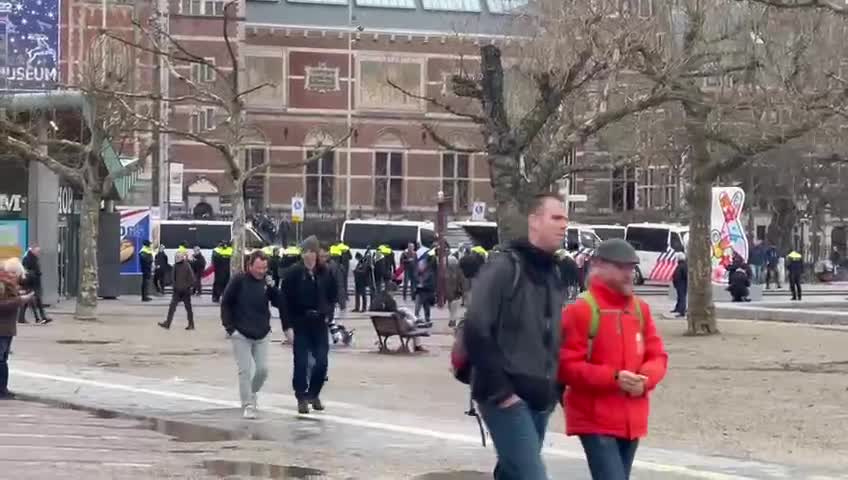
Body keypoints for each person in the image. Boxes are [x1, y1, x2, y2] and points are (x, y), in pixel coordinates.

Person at [463, 193, 568, 480]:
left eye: (565, 219)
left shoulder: (554, 273)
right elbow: (475, 327)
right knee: (532, 475)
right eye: (556, 218)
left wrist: (557, 389)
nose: (564, 225)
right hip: (505, 396)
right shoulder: (504, 266)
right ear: (534, 221)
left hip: (539, 398)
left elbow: (553, 333)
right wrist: (502, 391)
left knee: (514, 473)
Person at [560, 239, 668, 480]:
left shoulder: (640, 309)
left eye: (631, 268)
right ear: (598, 265)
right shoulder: (580, 311)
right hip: (594, 419)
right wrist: (614, 378)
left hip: (632, 418)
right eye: (621, 268)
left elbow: (658, 355)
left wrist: (645, 379)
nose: (628, 274)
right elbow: (566, 367)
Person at [221, 250, 281, 419]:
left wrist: (273, 288)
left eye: (264, 268)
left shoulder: (266, 282)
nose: (262, 271)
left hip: (262, 332)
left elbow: (278, 302)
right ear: (250, 266)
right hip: (241, 333)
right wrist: (230, 328)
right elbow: (226, 302)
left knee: (262, 370)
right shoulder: (239, 280)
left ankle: (252, 392)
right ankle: (247, 403)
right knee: (245, 370)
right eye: (259, 268)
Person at [281, 236, 338, 414]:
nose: (310, 255)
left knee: (321, 362)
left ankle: (314, 393)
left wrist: (329, 314)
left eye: (313, 252)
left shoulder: (325, 272)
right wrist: (287, 327)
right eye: (306, 252)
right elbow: (284, 302)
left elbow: (332, 295)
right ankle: (301, 396)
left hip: (319, 322)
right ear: (302, 254)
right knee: (302, 362)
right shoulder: (293, 273)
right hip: (300, 322)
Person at [0, 258, 32, 400]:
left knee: (3, 360)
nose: (11, 275)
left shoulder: (11, 286)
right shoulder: (2, 285)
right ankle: (1, 391)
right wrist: (20, 300)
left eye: (14, 273)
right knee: (0, 360)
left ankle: (3, 389)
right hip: (2, 329)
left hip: (7, 329)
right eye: (9, 272)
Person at [159, 251, 196, 330]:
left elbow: (192, 279)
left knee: (188, 309)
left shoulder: (187, 266)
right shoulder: (175, 266)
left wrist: (187, 287)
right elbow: (173, 278)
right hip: (177, 291)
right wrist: (174, 286)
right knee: (172, 307)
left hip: (185, 292)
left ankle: (191, 324)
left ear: (183, 257)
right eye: (176, 257)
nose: (177, 258)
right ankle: (167, 323)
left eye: (178, 257)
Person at [21, 245, 51, 324]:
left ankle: (22, 318)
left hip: (33, 283)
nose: (38, 253)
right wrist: (36, 274)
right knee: (37, 300)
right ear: (33, 250)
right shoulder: (28, 258)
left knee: (28, 301)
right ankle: (42, 317)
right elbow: (27, 271)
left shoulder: (32, 257)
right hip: (31, 283)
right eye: (37, 251)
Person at [446, 255, 465, 328]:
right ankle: (452, 319)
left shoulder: (458, 270)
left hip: (455, 292)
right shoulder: (446, 270)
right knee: (450, 307)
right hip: (449, 293)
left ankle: (452, 321)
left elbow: (461, 281)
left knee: (454, 307)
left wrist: (462, 290)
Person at [414, 259, 435, 324]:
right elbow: (415, 280)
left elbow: (431, 284)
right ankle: (416, 318)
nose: (419, 267)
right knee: (417, 306)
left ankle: (427, 318)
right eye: (419, 265)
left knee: (426, 306)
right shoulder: (418, 273)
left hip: (426, 292)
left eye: (421, 265)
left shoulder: (430, 274)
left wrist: (423, 285)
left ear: (425, 266)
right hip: (419, 292)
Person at [671, 252, 688, 317]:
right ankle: (678, 308)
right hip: (680, 284)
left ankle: (682, 311)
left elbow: (685, 275)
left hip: (682, 284)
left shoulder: (683, 265)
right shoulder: (682, 265)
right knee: (680, 297)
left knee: (682, 297)